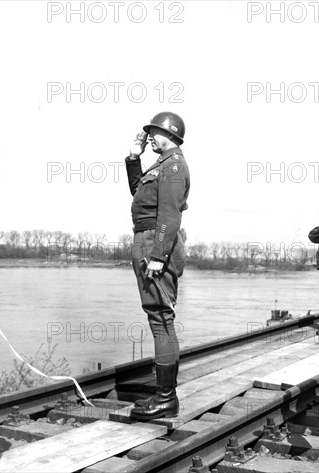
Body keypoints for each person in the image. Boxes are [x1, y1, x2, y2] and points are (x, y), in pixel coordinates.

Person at [124, 112, 190, 420]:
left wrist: (158, 255)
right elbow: (140, 193)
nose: (148, 136)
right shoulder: (161, 165)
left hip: (156, 242)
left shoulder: (174, 165)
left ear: (172, 134)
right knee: (157, 318)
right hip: (148, 239)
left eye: (154, 131)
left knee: (161, 319)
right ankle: (165, 396)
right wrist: (133, 159)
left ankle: (165, 399)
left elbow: (169, 216)